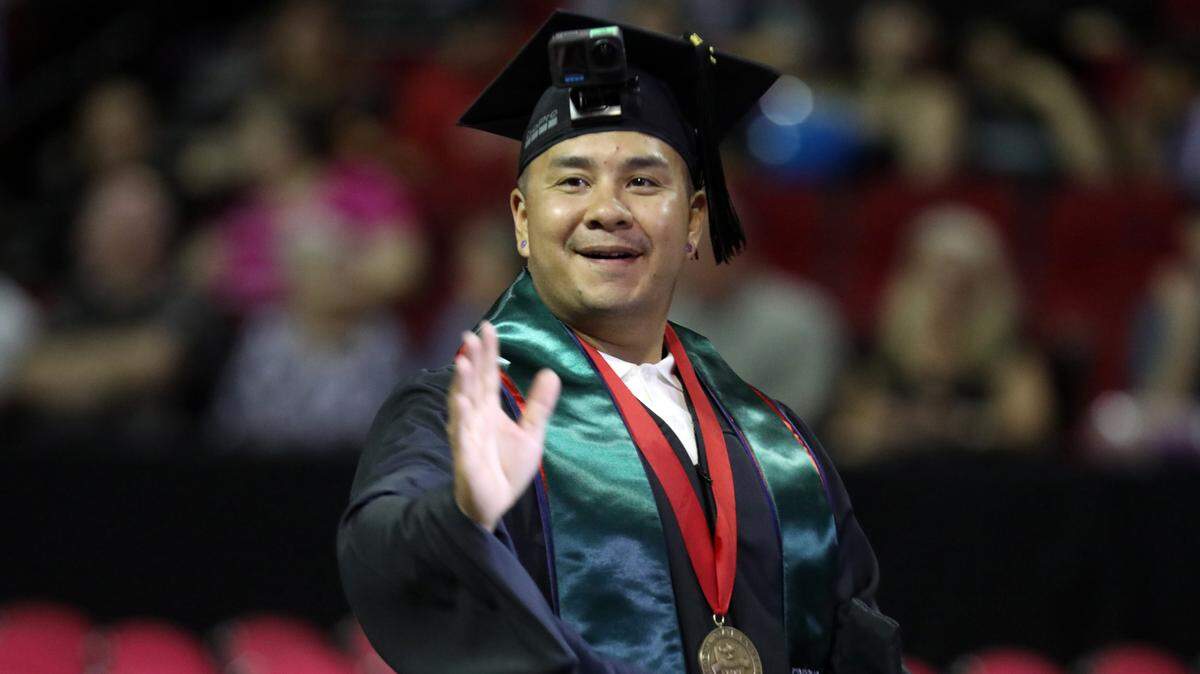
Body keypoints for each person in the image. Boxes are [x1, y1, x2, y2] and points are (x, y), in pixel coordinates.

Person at [337, 11, 902, 674]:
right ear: (522, 219)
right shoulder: (464, 409)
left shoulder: (776, 443)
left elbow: (856, 642)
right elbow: (380, 544)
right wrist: (460, 514)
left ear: (694, 221)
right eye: (573, 181)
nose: (608, 208)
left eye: (643, 181)